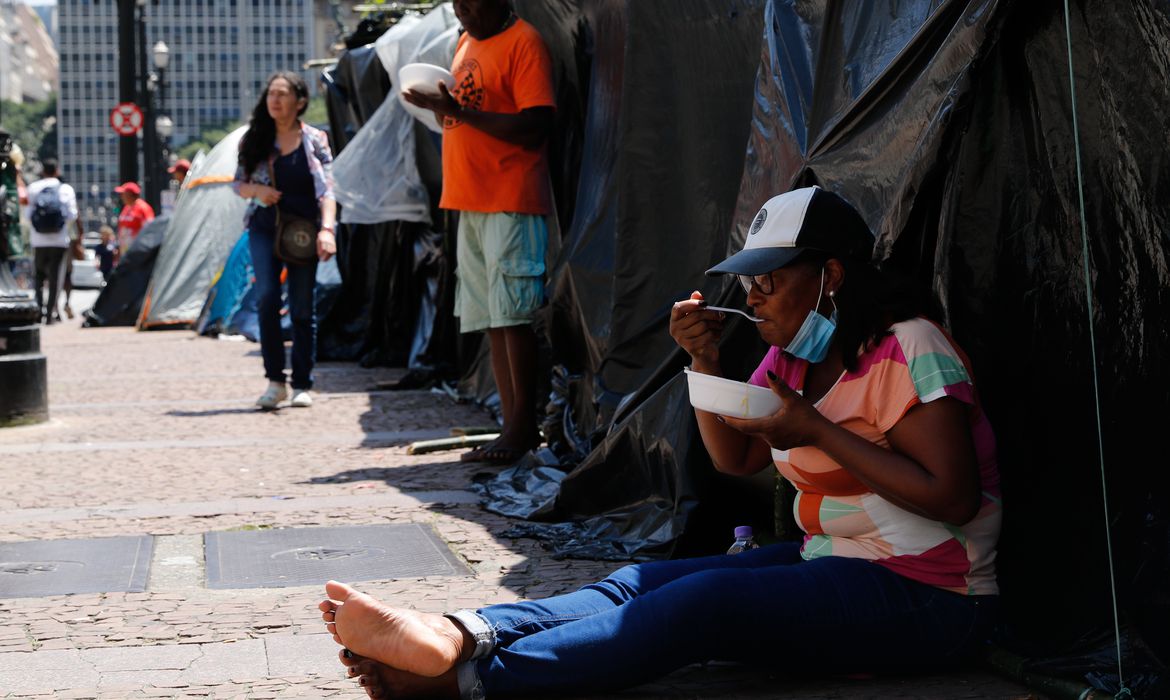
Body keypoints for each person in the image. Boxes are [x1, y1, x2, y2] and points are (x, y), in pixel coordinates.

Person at [318, 186, 1003, 699]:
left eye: (770, 279)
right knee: (635, 581)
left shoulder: (908, 347)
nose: (754, 296)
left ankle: (464, 683)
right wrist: (704, 364)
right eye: (749, 281)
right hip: (830, 557)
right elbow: (735, 459)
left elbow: (953, 495)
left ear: (831, 276)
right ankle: (460, 632)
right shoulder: (790, 356)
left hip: (935, 598)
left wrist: (818, 431)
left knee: (703, 603)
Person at [402, 0, 556, 465]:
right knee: (491, 316)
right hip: (468, 197)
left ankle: (521, 428)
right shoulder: (464, 41)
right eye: (457, 3)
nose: (463, 10)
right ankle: (510, 424)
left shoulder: (523, 41)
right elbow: (460, 112)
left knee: (513, 314)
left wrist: (459, 113)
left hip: (510, 195)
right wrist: (437, 107)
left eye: (472, 1)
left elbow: (536, 124)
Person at [232, 70, 336, 410]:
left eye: (282, 93)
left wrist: (327, 230)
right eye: (270, 94)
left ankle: (302, 382)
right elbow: (238, 184)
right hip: (264, 226)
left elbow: (329, 191)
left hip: (303, 231)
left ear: (300, 101)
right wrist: (257, 190)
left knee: (303, 308)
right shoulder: (255, 139)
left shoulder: (315, 140)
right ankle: (275, 380)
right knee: (266, 298)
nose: (274, 100)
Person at [25, 159, 82, 324]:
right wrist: (60, 225)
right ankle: (50, 315)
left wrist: (39, 227)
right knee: (55, 278)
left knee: (38, 277)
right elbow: (72, 214)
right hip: (59, 240)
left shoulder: (34, 188)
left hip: (38, 240)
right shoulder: (65, 189)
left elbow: (28, 215)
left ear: (43, 171)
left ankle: (37, 313)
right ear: (57, 171)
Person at [114, 181, 154, 256]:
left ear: (130, 194)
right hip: (125, 251)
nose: (121, 196)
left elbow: (150, 229)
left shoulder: (143, 208)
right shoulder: (126, 208)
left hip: (138, 251)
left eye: (123, 194)